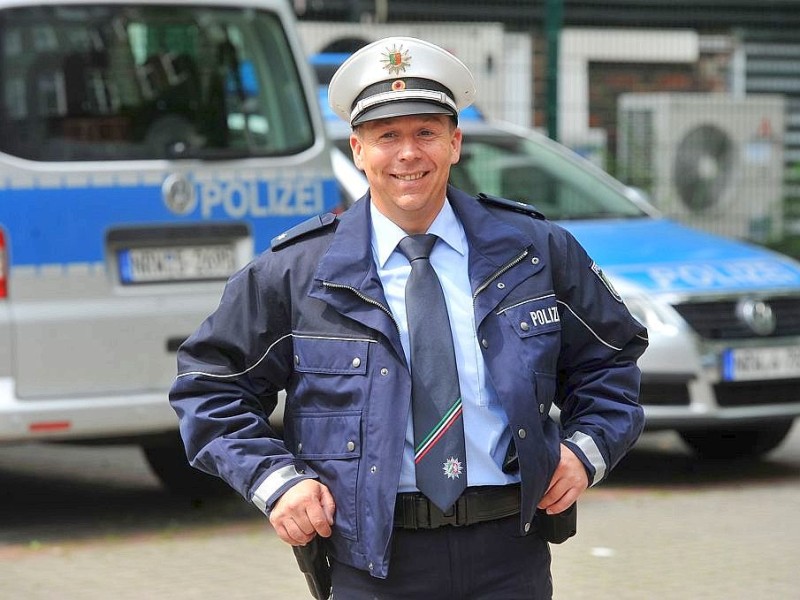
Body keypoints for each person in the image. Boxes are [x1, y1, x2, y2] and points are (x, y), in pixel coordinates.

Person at [169, 36, 648, 599]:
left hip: (509, 553)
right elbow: (208, 387)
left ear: (455, 143)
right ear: (357, 149)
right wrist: (275, 483)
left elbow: (611, 361)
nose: (408, 154)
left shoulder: (535, 251)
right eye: (387, 136)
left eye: (425, 132)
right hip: (373, 562)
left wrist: (584, 451)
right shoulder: (297, 273)